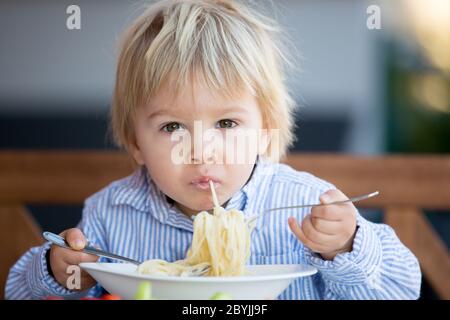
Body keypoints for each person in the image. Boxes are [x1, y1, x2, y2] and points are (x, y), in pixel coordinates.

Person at [6, 0, 421, 299]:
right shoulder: (111, 213)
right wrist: (57, 272)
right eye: (172, 126)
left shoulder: (305, 205)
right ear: (136, 143)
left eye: (226, 123)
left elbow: (402, 289)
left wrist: (347, 246)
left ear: (264, 130)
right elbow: (19, 291)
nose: (201, 151)